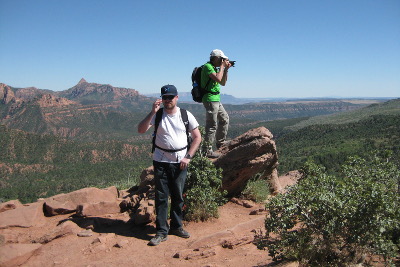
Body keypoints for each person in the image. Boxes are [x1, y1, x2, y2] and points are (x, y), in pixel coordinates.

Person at [137, 84, 201, 246]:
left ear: (176, 98)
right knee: (161, 197)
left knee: (178, 196)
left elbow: (197, 138)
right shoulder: (157, 115)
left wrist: (188, 157)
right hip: (160, 161)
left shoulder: (186, 115)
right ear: (161, 99)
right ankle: (161, 231)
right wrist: (152, 111)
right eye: (164, 97)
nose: (167, 100)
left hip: (180, 161)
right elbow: (141, 130)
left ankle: (177, 226)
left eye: (170, 97)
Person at [201, 49, 232, 158]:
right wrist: (222, 67)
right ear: (216, 58)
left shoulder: (215, 68)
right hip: (210, 98)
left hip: (215, 98)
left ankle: (220, 142)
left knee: (224, 119)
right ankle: (207, 150)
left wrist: (226, 69)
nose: (223, 61)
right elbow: (219, 78)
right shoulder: (208, 67)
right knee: (212, 124)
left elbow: (222, 82)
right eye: (222, 59)